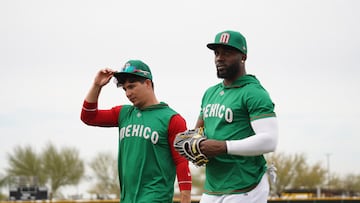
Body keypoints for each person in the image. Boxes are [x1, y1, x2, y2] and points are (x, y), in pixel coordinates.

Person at [80, 60, 192, 203]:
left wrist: (185, 199)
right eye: (125, 88)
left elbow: (182, 163)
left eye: (132, 86)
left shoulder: (173, 119)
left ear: (147, 84)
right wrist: (96, 85)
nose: (128, 93)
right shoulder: (123, 113)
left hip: (156, 198)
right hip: (127, 198)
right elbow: (88, 117)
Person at [194, 30, 279, 203]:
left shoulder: (253, 92)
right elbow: (199, 130)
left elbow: (270, 140)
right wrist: (194, 146)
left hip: (246, 185)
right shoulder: (210, 93)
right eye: (217, 53)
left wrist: (223, 146)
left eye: (227, 53)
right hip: (213, 186)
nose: (219, 58)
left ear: (243, 56)